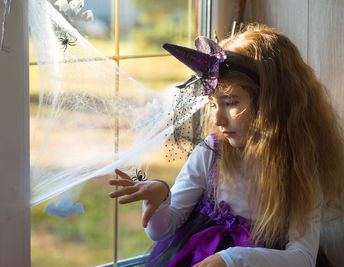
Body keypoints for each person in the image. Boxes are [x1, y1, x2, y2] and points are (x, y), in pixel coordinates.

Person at [108, 24, 344, 267]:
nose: (217, 120)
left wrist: (232, 259)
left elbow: (303, 258)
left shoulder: (300, 168)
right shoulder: (211, 154)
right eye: (214, 104)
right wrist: (158, 201)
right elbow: (164, 231)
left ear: (271, 104)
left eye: (230, 102)